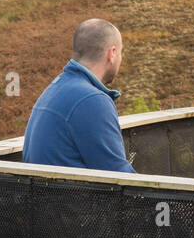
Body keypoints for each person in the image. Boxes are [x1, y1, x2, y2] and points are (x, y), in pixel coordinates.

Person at [22, 18, 136, 172]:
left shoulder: (56, 88)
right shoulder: (92, 100)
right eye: (121, 53)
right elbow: (119, 177)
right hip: (68, 195)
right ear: (112, 53)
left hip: (47, 193)